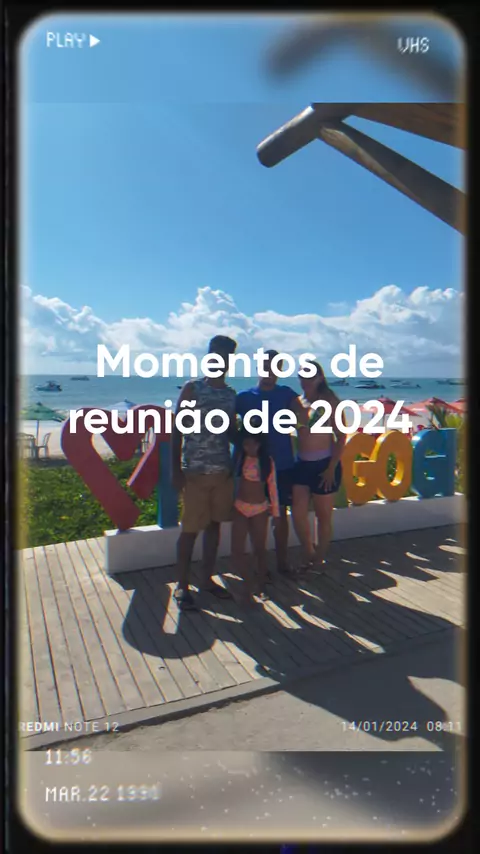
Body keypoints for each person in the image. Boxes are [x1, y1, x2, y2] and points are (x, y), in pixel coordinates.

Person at [171, 335, 238, 610]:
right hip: (195, 473)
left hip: (222, 472)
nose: (219, 360)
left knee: (214, 527)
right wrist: (175, 469)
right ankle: (182, 585)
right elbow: (177, 429)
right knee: (189, 531)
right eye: (215, 354)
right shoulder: (193, 388)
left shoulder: (231, 395)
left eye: (225, 356)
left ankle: (207, 580)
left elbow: (231, 432)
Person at [236, 350, 307, 578]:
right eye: (266, 366)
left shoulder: (286, 394)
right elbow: (226, 425)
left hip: (282, 465)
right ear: (259, 367)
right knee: (254, 517)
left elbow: (304, 418)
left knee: (280, 515)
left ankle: (282, 563)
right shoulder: (244, 397)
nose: (270, 371)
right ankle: (260, 566)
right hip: (254, 469)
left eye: (276, 367)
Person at [291, 361, 346, 572]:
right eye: (302, 376)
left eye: (310, 376)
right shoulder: (296, 402)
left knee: (323, 516)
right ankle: (309, 552)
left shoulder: (330, 401)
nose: (305, 380)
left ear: (320, 378)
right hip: (302, 463)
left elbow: (341, 436)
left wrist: (332, 467)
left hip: (324, 464)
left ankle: (318, 561)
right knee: (297, 513)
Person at [231, 425, 279, 606]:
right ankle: (247, 582)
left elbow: (273, 487)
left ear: (260, 443)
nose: (250, 447)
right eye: (246, 444)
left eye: (254, 444)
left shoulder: (267, 461)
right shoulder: (239, 459)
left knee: (259, 549)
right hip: (240, 507)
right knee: (237, 550)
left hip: (259, 508)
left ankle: (261, 584)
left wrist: (276, 513)